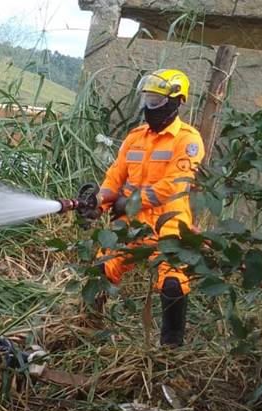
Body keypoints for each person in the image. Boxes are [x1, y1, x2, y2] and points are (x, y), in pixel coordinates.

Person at [90, 69, 205, 347]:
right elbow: (115, 175)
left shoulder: (188, 140)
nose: (148, 108)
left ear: (177, 101)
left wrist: (128, 202)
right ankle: (88, 330)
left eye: (155, 101)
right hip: (130, 225)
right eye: (146, 100)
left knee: (173, 283)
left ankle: (170, 348)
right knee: (99, 271)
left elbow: (173, 186)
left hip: (170, 225)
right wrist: (98, 201)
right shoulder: (135, 137)